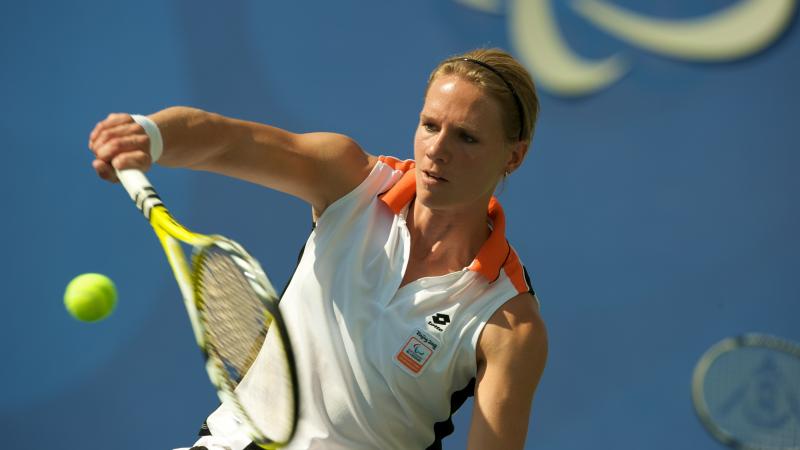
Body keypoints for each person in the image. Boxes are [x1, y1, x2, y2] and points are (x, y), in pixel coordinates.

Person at [88, 48, 548, 450]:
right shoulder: (351, 182)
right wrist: (149, 134)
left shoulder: (508, 323)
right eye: (430, 125)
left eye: (466, 137)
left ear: (513, 156)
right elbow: (229, 140)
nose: (437, 150)